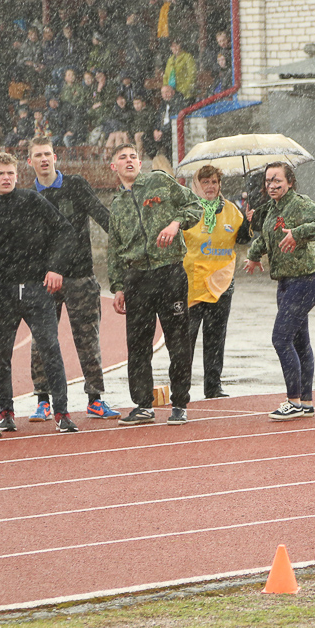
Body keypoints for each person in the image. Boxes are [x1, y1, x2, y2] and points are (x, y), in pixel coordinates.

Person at [0, 152, 79, 433]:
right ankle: (6, 412)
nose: (6, 178)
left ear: (17, 175)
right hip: (3, 294)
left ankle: (61, 413)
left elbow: (65, 231)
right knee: (1, 356)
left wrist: (55, 267)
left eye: (10, 173)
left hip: (37, 290)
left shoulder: (33, 200)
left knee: (50, 350)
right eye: (0, 173)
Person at [107, 144, 203, 426]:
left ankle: (180, 403)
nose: (129, 161)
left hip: (169, 272)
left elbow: (194, 206)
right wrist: (118, 286)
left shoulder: (159, 181)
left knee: (178, 341)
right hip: (136, 278)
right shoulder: (117, 204)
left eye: (133, 157)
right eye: (122, 158)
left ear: (140, 163)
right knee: (138, 345)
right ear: (114, 166)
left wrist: (176, 223)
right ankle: (143, 405)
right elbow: (114, 249)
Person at [26, 136, 122, 420]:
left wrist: (126, 241)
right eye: (38, 155)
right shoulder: (28, 197)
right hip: (44, 281)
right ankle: (42, 400)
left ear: (55, 157)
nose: (44, 159)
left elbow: (103, 216)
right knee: (41, 341)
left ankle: (95, 399)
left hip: (81, 278)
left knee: (88, 340)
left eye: (47, 154)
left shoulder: (75, 185)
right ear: (29, 162)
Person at [243, 162, 315, 421]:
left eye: (277, 180)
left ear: (290, 182)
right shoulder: (271, 209)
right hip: (284, 283)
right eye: (268, 181)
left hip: (306, 281)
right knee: (299, 342)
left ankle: (292, 401)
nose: (271, 185)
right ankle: (306, 402)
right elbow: (266, 238)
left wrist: (298, 233)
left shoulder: (300, 204)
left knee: (281, 338)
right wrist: (253, 255)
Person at [183, 164, 250, 399]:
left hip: (221, 284)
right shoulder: (188, 210)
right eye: (205, 182)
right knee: (185, 340)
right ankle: (181, 388)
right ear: (197, 185)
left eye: (214, 182)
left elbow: (243, 239)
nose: (210, 186)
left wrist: (249, 222)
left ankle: (213, 387)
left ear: (220, 185)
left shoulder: (232, 210)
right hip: (192, 285)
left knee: (215, 339)